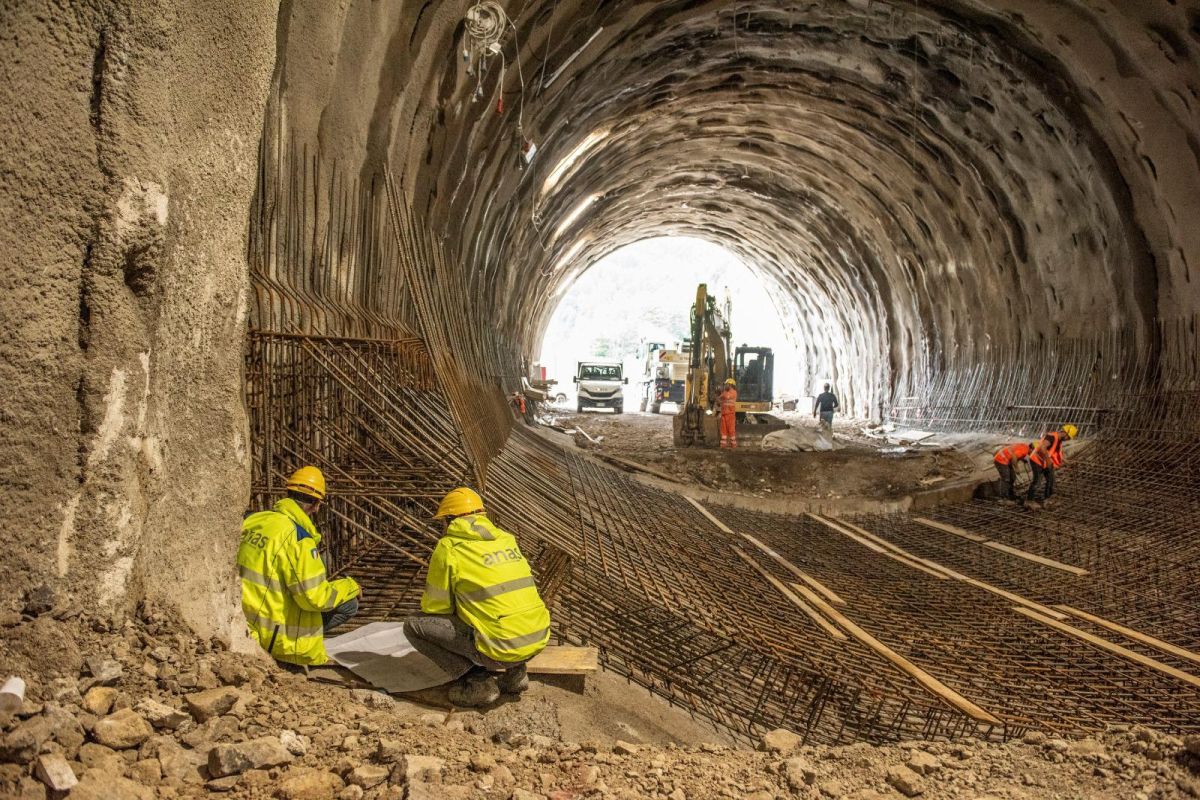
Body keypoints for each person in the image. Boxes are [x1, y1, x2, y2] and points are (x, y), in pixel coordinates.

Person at [405, 487, 551, 707]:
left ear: (450, 519)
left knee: (413, 626)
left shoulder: (450, 547)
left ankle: (477, 681)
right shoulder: (506, 540)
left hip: (498, 649)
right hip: (537, 639)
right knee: (502, 612)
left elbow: (436, 607)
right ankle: (516, 675)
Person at [237, 466, 361, 666]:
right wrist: (351, 586)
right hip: (270, 633)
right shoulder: (298, 537)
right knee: (349, 604)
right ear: (316, 505)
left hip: (240, 620)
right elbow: (315, 598)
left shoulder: (254, 520)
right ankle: (289, 656)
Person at [1025, 424, 1078, 508]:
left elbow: (1056, 454)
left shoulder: (1059, 440)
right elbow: (1042, 447)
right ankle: (1029, 501)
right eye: (1069, 437)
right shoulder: (1051, 436)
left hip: (1045, 462)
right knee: (1037, 481)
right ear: (1065, 433)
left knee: (1051, 479)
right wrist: (1048, 460)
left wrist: (1067, 462)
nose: (1068, 439)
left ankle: (1048, 500)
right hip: (1036, 460)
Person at [719, 378, 738, 449]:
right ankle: (723, 445)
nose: (725, 386)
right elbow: (719, 398)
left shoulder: (733, 392)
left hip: (730, 414)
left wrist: (722, 394)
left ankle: (733, 444)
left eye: (726, 384)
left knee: (731, 429)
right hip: (724, 413)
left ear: (730, 385)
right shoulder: (725, 392)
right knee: (723, 430)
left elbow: (726, 397)